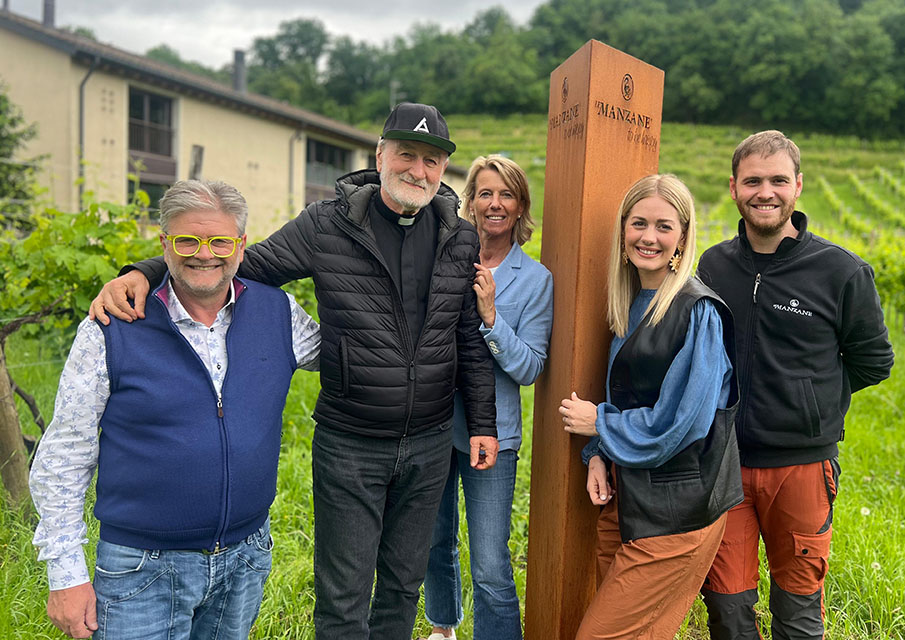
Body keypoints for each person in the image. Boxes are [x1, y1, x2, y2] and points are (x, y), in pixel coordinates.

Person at [87, 103, 499, 640]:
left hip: (428, 441)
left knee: (403, 586)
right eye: (406, 155)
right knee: (344, 597)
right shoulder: (326, 225)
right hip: (351, 444)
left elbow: (467, 334)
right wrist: (146, 270)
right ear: (380, 156)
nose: (417, 170)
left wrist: (484, 421)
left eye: (431, 160)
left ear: (444, 169)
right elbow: (236, 263)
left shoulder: (459, 236)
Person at [30, 180, 322, 640]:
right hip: (142, 567)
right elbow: (63, 456)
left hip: (246, 557)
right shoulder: (112, 326)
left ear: (241, 247)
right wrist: (66, 575)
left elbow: (352, 354)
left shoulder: (279, 313)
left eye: (220, 241)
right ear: (164, 245)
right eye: (187, 239)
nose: (204, 253)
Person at [697, 130, 894, 639]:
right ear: (735, 188)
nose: (766, 191)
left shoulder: (841, 272)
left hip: (803, 466)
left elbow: (873, 360)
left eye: (778, 180)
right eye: (753, 180)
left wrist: (812, 397)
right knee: (727, 608)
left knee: (799, 608)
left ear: (798, 186)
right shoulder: (712, 266)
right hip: (726, 463)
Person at [559, 174, 742, 639]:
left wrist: (597, 422)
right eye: (638, 223)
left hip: (678, 511)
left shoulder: (696, 310)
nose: (649, 237)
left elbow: (682, 422)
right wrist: (598, 453)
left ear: (683, 235)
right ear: (623, 231)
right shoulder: (631, 302)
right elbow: (629, 393)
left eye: (664, 226)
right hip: (628, 496)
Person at [422, 155, 553, 640]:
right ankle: (442, 626)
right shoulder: (442, 259)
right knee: (435, 539)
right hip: (433, 425)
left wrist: (492, 317)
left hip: (494, 436)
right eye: (484, 193)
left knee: (491, 560)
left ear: (520, 207)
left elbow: (531, 368)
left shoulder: (536, 280)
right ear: (470, 202)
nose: (494, 204)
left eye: (506, 195)